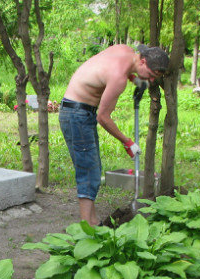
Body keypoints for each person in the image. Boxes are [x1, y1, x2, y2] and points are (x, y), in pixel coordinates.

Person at [59, 44, 169, 225]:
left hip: (77, 111)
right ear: (142, 61)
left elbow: (106, 69)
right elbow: (103, 117)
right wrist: (127, 142)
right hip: (76, 114)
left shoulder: (124, 51)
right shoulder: (118, 77)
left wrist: (135, 78)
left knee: (92, 167)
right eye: (149, 75)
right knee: (88, 170)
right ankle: (87, 228)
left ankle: (92, 222)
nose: (149, 80)